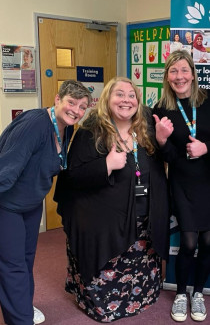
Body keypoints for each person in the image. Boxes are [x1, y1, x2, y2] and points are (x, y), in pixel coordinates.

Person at [54, 76, 170, 322]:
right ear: (107, 99)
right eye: (119, 94)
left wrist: (161, 141)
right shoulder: (91, 131)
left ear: (138, 102)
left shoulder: (146, 127)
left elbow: (161, 166)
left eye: (131, 95)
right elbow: (72, 178)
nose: (126, 100)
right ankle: (104, 305)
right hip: (104, 220)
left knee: (141, 261)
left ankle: (141, 297)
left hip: (143, 217)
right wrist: (106, 165)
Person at [0, 80, 91, 325]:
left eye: (83, 107)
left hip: (30, 204)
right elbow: (7, 167)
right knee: (13, 265)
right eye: (71, 103)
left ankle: (21, 307)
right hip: (7, 204)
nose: (76, 110)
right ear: (57, 99)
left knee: (26, 259)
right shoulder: (35, 124)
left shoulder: (66, 127)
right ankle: (20, 320)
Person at [153, 50, 210, 322]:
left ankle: (198, 293)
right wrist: (162, 141)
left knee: (209, 241)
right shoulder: (162, 109)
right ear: (167, 77)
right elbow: (162, 157)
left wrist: (206, 147)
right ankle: (181, 293)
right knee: (188, 242)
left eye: (184, 70)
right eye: (173, 71)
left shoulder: (208, 100)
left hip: (209, 180)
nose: (179, 76)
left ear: (193, 74)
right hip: (182, 183)